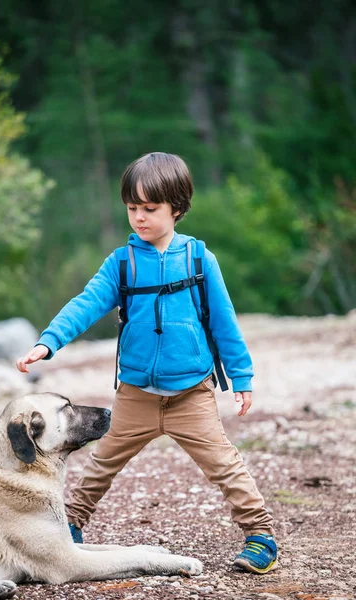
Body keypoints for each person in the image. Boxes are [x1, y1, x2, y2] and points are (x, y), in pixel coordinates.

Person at [16, 152, 278, 574]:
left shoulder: (198, 260)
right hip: (136, 394)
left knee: (225, 465)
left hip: (192, 394)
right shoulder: (122, 264)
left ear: (177, 207)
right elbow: (85, 304)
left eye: (150, 209)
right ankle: (70, 526)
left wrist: (242, 376)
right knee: (102, 464)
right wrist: (48, 343)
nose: (139, 217)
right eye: (132, 208)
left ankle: (260, 535)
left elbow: (226, 322)